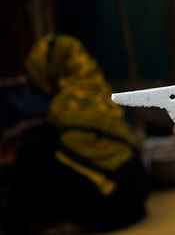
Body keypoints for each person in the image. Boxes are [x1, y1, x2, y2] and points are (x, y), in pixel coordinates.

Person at [1, 34, 150, 234]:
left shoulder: (64, 105)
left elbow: (51, 129)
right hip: (136, 197)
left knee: (34, 148)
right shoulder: (98, 91)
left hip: (112, 206)